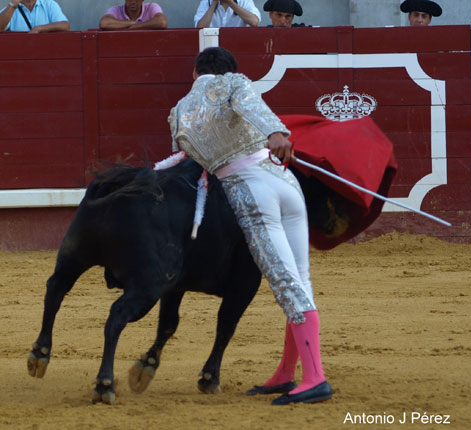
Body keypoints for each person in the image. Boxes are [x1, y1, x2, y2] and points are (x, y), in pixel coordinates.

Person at [168, 47, 332, 406]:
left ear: (196, 73)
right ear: (228, 69)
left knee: (286, 283)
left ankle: (315, 378)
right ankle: (288, 374)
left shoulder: (179, 111)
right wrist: (274, 131)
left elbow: (186, 163)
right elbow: (251, 102)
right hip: (285, 183)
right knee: (299, 279)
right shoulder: (235, 82)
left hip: (251, 191)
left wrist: (275, 130)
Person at [0, 0, 69, 33]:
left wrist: (39, 28)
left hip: (46, 55)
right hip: (20, 55)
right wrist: (13, 3)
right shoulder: (10, 9)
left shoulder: (49, 4)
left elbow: (65, 26)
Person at [99, 0, 167, 31]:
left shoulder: (151, 7)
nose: (133, 1)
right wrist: (131, 23)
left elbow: (162, 22)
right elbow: (104, 23)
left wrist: (135, 26)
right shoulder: (116, 10)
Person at [194, 0, 260, 28]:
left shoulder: (244, 1)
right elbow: (200, 28)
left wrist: (230, 3)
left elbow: (254, 22)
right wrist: (214, 3)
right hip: (213, 46)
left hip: (238, 43)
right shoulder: (206, 2)